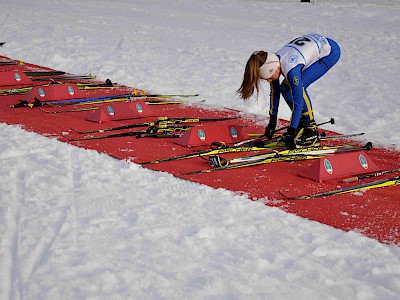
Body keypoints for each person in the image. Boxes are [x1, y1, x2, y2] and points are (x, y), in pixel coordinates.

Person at [237, 33, 341, 149]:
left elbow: (298, 101)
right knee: (284, 88)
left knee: (299, 86)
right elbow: (275, 93)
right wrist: (272, 121)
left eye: (269, 78)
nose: (269, 81)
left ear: (274, 70)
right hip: (310, 46)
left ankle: (311, 129)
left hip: (330, 52)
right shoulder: (273, 61)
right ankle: (301, 124)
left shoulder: (291, 69)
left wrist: (292, 130)